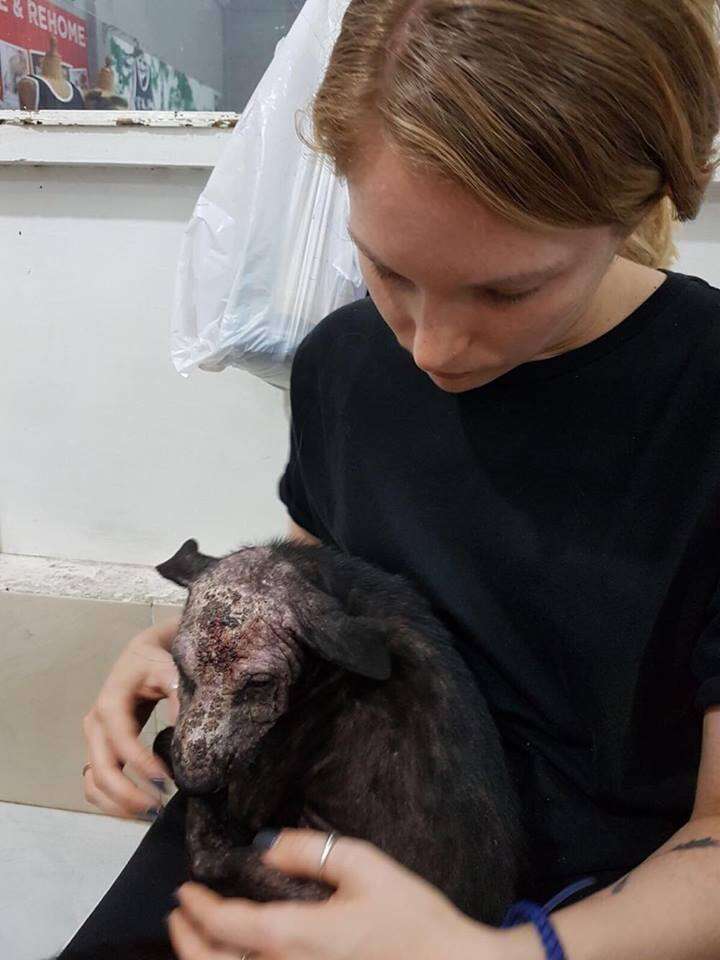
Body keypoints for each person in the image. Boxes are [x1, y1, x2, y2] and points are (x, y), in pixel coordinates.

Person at [63, 0, 720, 957]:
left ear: (636, 205)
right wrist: (186, 642)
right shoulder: (344, 362)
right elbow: (319, 595)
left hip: (585, 907)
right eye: (387, 270)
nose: (431, 348)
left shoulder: (700, 403)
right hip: (304, 810)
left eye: (508, 290)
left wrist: (497, 954)